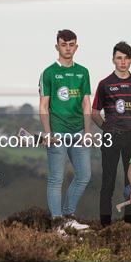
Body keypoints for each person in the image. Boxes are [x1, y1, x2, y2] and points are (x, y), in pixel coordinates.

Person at [92, 41, 131, 227]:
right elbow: (94, 113)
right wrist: (107, 128)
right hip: (111, 136)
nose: (123, 62)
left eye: (126, 58)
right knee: (108, 180)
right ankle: (105, 222)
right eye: (119, 58)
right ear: (113, 60)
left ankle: (130, 220)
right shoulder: (105, 84)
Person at [38, 29, 92, 230]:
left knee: (84, 175)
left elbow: (87, 103)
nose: (67, 48)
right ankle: (57, 222)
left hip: (78, 131)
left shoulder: (83, 72)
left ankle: (68, 216)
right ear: (57, 46)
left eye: (71, 45)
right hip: (57, 132)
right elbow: (43, 106)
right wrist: (48, 133)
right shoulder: (49, 73)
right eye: (63, 44)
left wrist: (87, 131)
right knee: (56, 179)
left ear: (76, 47)